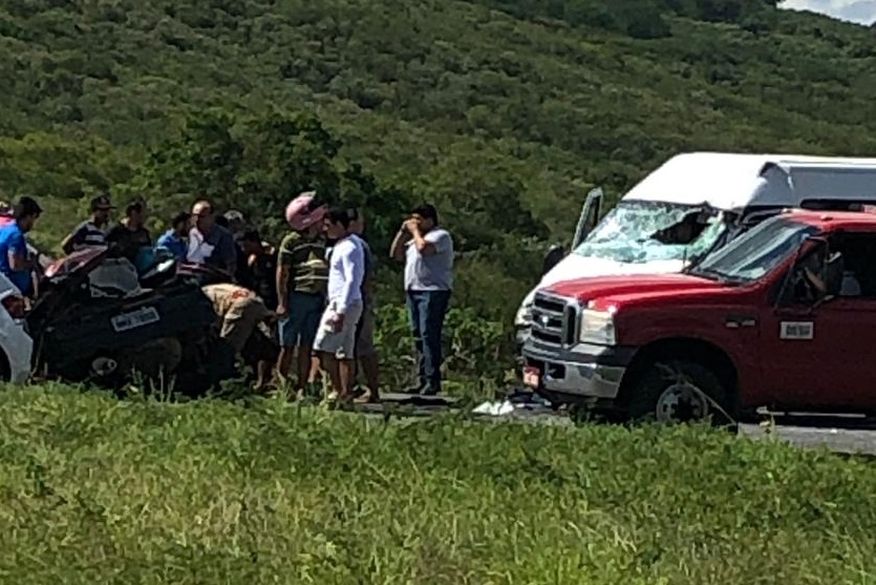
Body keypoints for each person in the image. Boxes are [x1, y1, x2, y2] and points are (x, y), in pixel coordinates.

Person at [389, 203, 454, 395]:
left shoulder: (440, 236)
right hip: (413, 290)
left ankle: (433, 379)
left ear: (429, 220)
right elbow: (396, 254)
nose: (414, 223)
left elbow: (424, 249)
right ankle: (421, 377)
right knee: (417, 334)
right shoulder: (414, 239)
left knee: (429, 333)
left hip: (433, 291)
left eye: (418, 219)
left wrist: (415, 232)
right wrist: (402, 234)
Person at [276, 192, 329, 395]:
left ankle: (302, 385)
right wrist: (282, 301)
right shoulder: (291, 241)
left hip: (316, 297)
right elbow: (282, 272)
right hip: (296, 296)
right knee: (287, 344)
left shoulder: (322, 240)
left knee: (307, 344)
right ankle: (282, 383)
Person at [314, 208, 365, 402]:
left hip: (343, 303)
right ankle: (346, 393)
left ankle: (336, 391)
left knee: (323, 347)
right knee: (344, 350)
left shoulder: (349, 248)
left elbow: (352, 279)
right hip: (345, 302)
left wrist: (341, 310)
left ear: (339, 225)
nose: (325, 229)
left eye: (328, 225)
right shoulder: (342, 246)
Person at [202, 283, 278, 391]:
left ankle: (220, 385)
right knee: (260, 343)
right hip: (255, 302)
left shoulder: (201, 296)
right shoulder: (213, 288)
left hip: (239, 306)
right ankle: (262, 381)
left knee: (225, 348)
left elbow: (211, 321)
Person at [347, 206, 380, 403]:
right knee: (357, 347)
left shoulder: (357, 245)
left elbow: (365, 276)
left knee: (362, 346)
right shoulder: (354, 244)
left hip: (358, 301)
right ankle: (360, 387)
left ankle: (372, 390)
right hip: (359, 300)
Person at [0, 196, 42, 297]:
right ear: (28, 217)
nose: (33, 223)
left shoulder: (5, 229)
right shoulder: (16, 235)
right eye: (33, 218)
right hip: (15, 285)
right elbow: (14, 265)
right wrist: (32, 263)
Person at [187, 200, 237, 277]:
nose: (197, 220)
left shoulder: (223, 236)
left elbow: (230, 264)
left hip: (213, 279)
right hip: (190, 277)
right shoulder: (191, 233)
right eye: (194, 216)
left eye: (201, 217)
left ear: (211, 217)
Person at [239, 229, 278, 310]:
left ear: (254, 242)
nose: (243, 249)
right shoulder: (251, 260)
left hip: (274, 298)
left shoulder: (272, 257)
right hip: (259, 300)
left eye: (246, 246)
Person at [107, 199, 152, 267]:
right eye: (137, 213)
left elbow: (148, 249)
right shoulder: (117, 231)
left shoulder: (144, 233)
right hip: (121, 266)